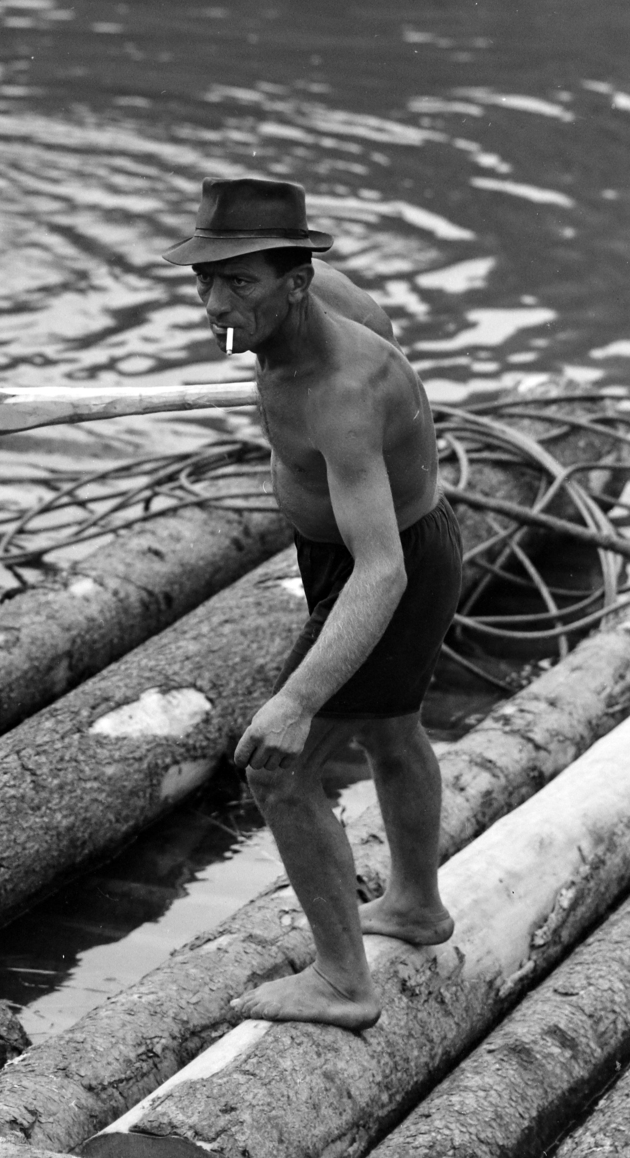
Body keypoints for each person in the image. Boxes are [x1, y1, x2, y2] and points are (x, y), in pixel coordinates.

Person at [162, 177, 462, 1029]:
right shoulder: (315, 293)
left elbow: (382, 573)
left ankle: (343, 982)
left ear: (295, 282)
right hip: (388, 546)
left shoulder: (335, 392)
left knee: (279, 769)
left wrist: (296, 700)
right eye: (204, 281)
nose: (216, 305)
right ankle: (414, 906)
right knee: (392, 731)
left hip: (387, 570)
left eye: (240, 283)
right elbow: (384, 329)